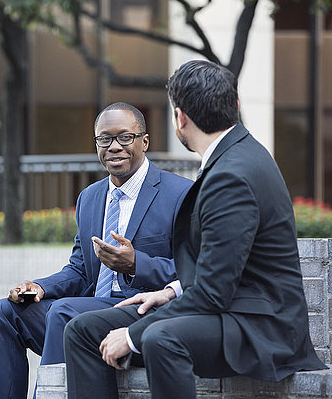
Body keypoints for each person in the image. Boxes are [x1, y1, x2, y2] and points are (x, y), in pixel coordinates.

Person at [63, 60, 327, 399]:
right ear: (236, 107)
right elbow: (220, 267)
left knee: (160, 338)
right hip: (229, 309)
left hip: (260, 326)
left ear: (180, 118)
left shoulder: (232, 173)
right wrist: (171, 291)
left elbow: (213, 292)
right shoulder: (233, 157)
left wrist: (131, 336)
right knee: (84, 329)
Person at [0, 102, 193, 399]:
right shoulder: (90, 198)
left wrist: (136, 264)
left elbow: (192, 271)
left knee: (65, 312)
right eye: (105, 139)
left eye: (125, 137)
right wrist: (40, 286)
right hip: (89, 309)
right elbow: (79, 270)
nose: (114, 146)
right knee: (4, 312)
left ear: (145, 141)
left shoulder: (180, 194)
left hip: (142, 314)